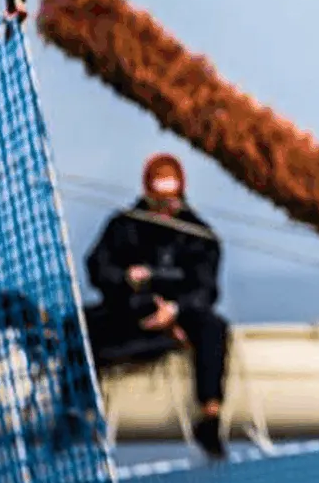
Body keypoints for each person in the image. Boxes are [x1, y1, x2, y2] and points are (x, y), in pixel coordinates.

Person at [79, 152, 230, 458]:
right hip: (130, 310)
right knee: (78, 326)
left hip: (180, 314)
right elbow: (97, 267)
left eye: (170, 201)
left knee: (214, 327)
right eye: (157, 201)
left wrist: (175, 310)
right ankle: (80, 411)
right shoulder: (123, 226)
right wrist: (125, 279)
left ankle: (210, 416)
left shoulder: (199, 235)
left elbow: (207, 288)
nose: (163, 209)